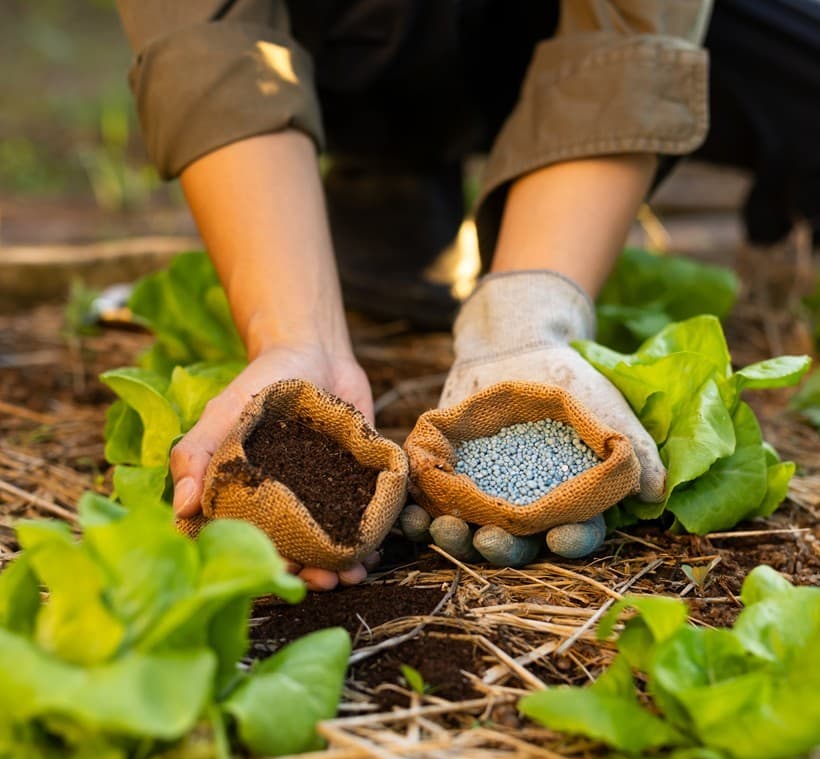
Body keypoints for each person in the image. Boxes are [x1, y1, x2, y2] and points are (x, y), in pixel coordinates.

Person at [115, 0, 713, 590]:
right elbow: (210, 35)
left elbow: (635, 30)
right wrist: (296, 336)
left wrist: (527, 315)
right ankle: (393, 166)